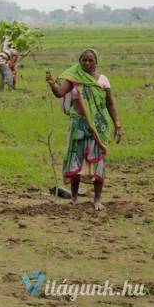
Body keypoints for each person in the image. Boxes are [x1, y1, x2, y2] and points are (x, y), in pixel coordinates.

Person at [46, 49, 122, 210]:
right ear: (79, 62)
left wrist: (117, 123)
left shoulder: (103, 80)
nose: (87, 63)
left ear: (96, 62)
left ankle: (97, 200)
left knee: (99, 162)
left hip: (98, 127)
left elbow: (110, 103)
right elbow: (60, 93)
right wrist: (52, 84)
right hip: (78, 125)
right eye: (84, 60)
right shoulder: (74, 79)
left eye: (90, 60)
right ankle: (74, 199)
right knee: (76, 160)